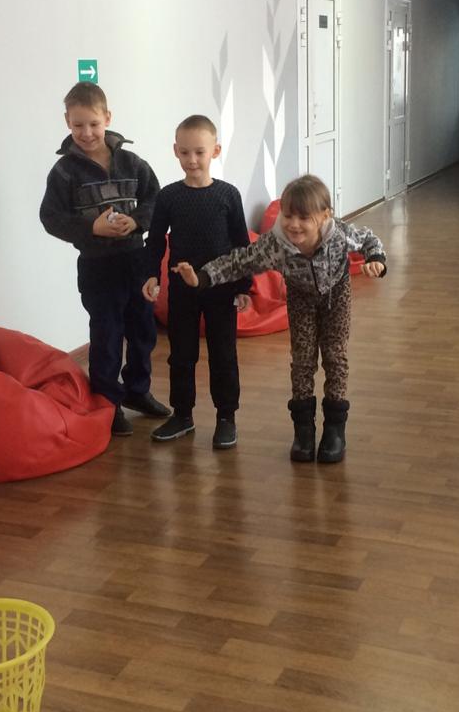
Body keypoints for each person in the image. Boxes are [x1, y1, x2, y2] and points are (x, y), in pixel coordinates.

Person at [174, 175, 386, 463]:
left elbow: (368, 239)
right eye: (288, 216)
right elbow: (239, 261)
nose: (294, 224)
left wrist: (376, 259)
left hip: (336, 296)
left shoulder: (338, 234)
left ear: (325, 216)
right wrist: (201, 277)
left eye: (304, 218)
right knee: (302, 360)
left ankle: (335, 429)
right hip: (300, 298)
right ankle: (304, 431)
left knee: (335, 357)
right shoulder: (276, 244)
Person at [39, 82, 170, 436]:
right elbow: (50, 217)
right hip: (97, 267)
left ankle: (138, 391)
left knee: (143, 331)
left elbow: (156, 200)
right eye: (78, 125)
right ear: (67, 122)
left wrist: (138, 221)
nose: (87, 133)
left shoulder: (132, 162)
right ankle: (108, 404)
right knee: (107, 336)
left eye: (94, 124)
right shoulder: (64, 172)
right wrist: (91, 227)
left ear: (108, 118)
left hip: (136, 260)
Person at [142, 115, 252, 450]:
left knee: (223, 354)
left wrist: (243, 286)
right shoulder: (168, 196)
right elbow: (155, 240)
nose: (192, 160)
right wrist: (151, 275)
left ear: (215, 151)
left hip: (221, 289)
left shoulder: (228, 195)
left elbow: (241, 244)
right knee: (181, 354)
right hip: (181, 290)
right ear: (175, 151)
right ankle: (182, 414)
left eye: (199, 152)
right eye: (185, 152)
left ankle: (226, 417)